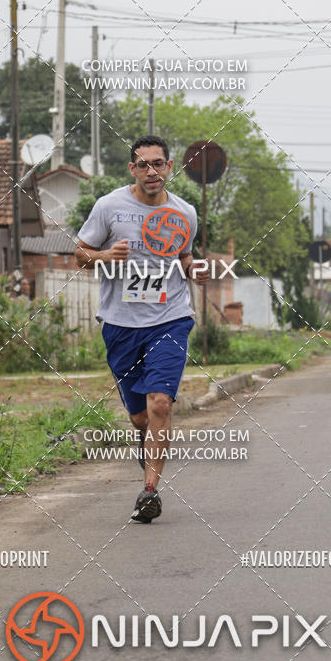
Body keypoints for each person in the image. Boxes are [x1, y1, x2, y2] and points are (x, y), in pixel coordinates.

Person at [75, 135, 209, 523]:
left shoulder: (186, 212)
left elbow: (183, 253)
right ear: (132, 169)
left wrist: (192, 268)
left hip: (171, 318)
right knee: (140, 418)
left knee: (160, 404)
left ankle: (150, 490)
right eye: (143, 164)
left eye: (159, 163)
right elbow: (79, 253)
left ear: (170, 167)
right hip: (120, 324)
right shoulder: (109, 207)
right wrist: (102, 255)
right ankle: (147, 444)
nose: (152, 171)